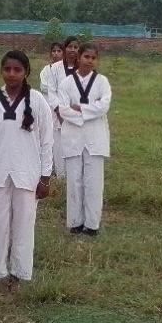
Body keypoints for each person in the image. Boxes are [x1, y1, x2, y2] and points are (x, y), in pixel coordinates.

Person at [0, 51, 54, 290]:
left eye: (17, 70)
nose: (11, 74)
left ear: (26, 72)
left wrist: (45, 178)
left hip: (27, 174)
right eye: (7, 69)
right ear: (1, 71)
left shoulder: (37, 100)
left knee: (23, 227)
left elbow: (47, 141)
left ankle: (18, 275)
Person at [57, 42, 111, 236]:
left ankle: (92, 224)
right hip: (73, 137)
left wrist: (80, 108)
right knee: (74, 181)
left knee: (94, 183)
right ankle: (75, 222)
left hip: (95, 137)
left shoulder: (102, 81)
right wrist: (88, 111)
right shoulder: (66, 83)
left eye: (93, 58)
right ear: (78, 57)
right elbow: (63, 109)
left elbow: (104, 106)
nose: (90, 61)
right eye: (86, 57)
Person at [38, 41, 65, 177]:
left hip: (62, 110)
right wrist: (55, 89)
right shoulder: (46, 70)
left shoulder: (67, 70)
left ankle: (62, 172)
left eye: (59, 51)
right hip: (48, 108)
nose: (56, 54)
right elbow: (43, 86)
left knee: (61, 140)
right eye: (53, 51)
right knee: (48, 139)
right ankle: (49, 169)